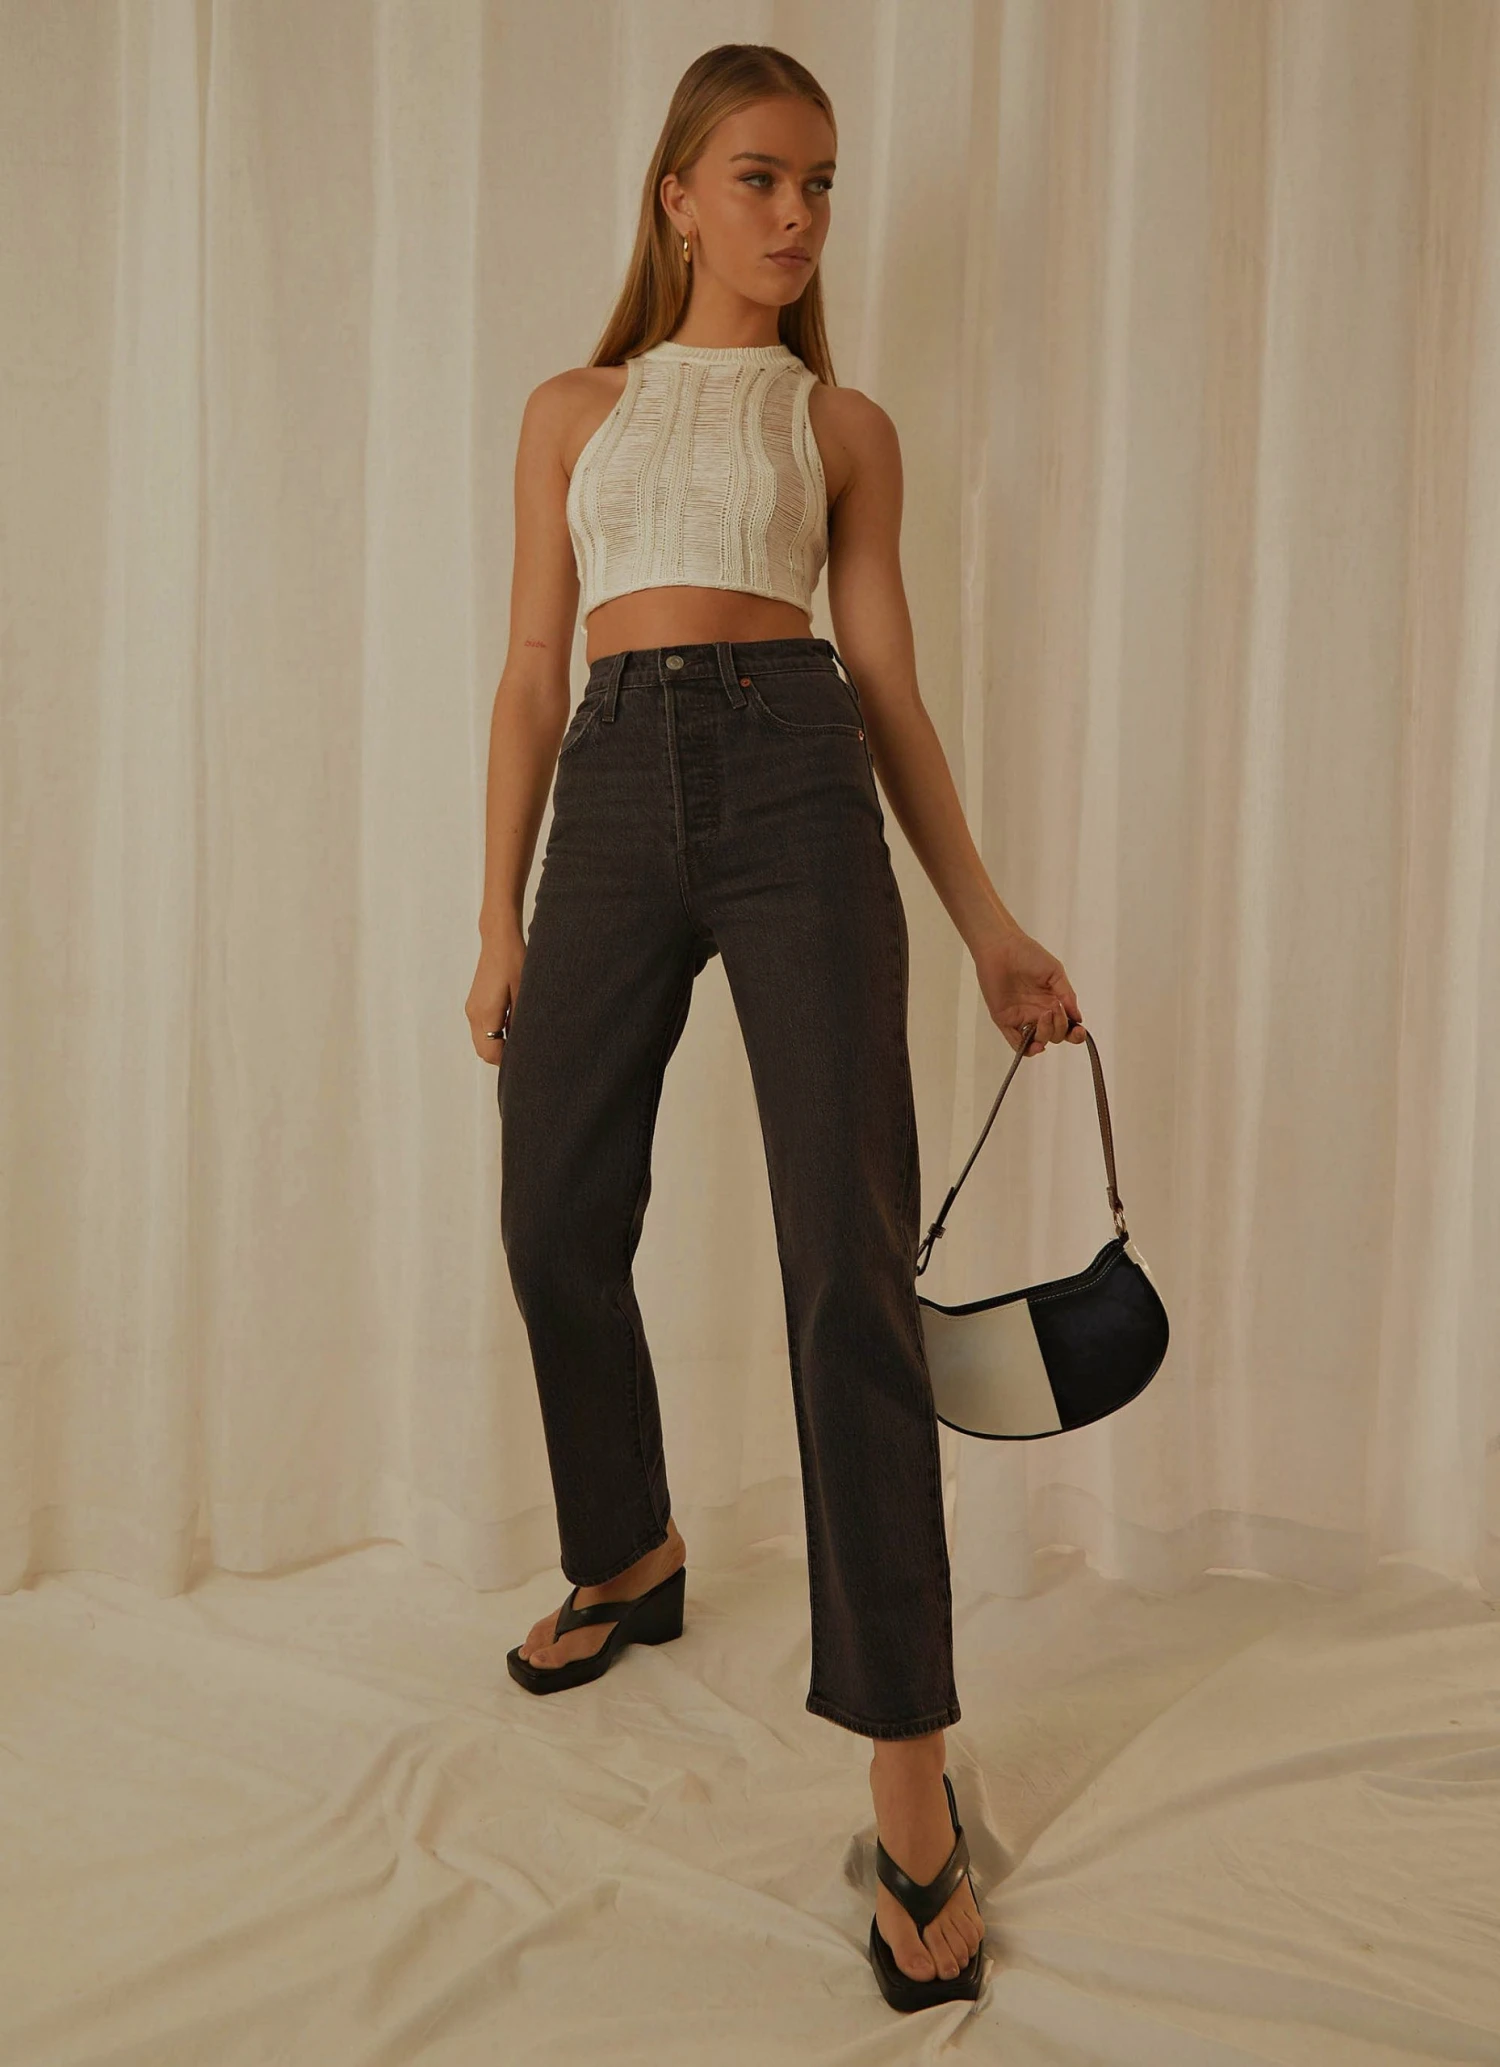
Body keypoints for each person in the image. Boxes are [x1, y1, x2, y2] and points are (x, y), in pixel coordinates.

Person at [465, 43, 1085, 2012]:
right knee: (553, 1216)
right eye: (760, 176)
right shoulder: (572, 410)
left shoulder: (844, 427)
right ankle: (627, 1549)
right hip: (611, 792)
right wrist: (495, 910)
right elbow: (527, 669)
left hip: (801, 782)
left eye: (821, 182)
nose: (799, 213)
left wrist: (986, 922)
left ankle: (907, 1778)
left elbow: (884, 679)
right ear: (677, 194)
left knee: (845, 1272)